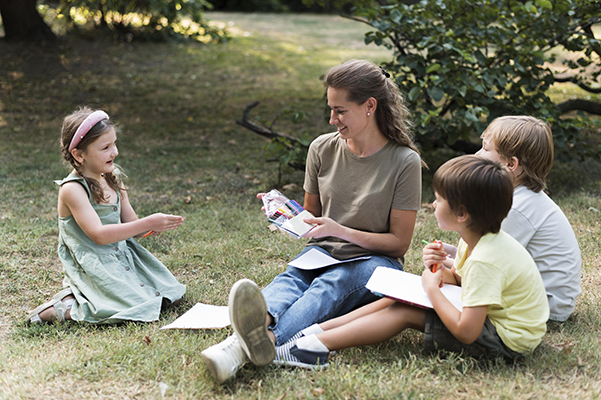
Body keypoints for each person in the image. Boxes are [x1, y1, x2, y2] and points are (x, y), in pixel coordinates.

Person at [201, 59, 424, 382]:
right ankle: (242, 340)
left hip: (375, 265)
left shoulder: (404, 161)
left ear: (369, 106)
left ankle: (254, 346)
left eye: (340, 111)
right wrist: (284, 213)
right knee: (289, 281)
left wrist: (341, 231)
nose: (332, 119)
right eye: (330, 109)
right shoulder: (321, 148)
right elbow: (311, 220)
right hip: (321, 255)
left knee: (329, 285)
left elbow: (398, 244)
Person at [228, 155, 549, 370]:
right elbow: (464, 283)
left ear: (462, 214)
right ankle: (309, 334)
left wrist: (432, 289)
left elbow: (467, 332)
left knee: (405, 312)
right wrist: (443, 270)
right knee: (396, 297)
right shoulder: (476, 240)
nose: (432, 203)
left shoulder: (487, 259)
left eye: (439, 200)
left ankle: (308, 349)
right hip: (493, 318)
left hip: (506, 342)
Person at [26, 107, 186, 324]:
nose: (115, 152)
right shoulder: (73, 189)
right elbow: (99, 235)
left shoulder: (113, 177)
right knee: (138, 308)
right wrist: (147, 222)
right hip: (95, 261)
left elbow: (131, 225)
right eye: (106, 147)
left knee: (170, 296)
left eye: (114, 144)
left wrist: (150, 228)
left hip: (122, 254)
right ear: (79, 155)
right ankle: (63, 307)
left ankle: (90, 296)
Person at [475, 116, 581, 321]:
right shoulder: (518, 199)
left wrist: (453, 268)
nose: (477, 154)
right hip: (538, 297)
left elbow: (490, 264)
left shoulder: (518, 209)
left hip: (546, 305)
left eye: (486, 149)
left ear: (511, 164)